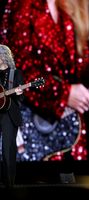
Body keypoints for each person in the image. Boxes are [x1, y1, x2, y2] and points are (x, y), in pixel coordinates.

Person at [0, 0, 89, 160]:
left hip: (67, 141)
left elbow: (74, 77)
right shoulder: (22, 5)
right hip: (26, 136)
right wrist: (64, 93)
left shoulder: (71, 7)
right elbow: (15, 70)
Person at [0, 44, 24, 187]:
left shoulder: (15, 74)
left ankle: (9, 183)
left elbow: (21, 99)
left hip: (9, 114)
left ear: (3, 57)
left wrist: (20, 93)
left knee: (8, 149)